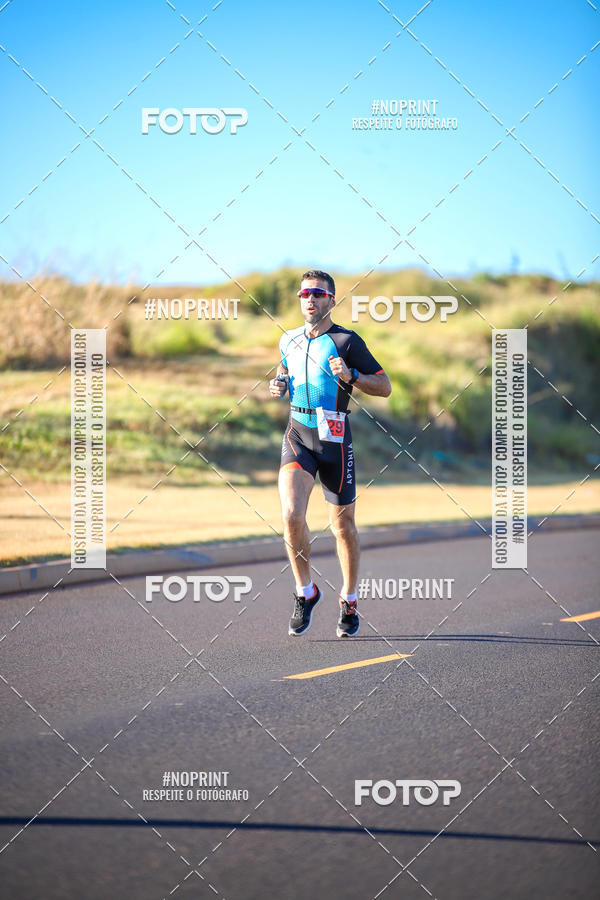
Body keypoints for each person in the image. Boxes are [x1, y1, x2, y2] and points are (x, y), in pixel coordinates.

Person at [269, 269, 391, 638]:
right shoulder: (287, 339)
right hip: (298, 434)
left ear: (331, 299)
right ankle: (305, 592)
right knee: (291, 515)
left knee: (343, 526)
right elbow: (284, 371)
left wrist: (352, 375)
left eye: (318, 294)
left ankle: (350, 600)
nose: (310, 299)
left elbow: (384, 387)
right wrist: (277, 384)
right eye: (304, 293)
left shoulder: (347, 340)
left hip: (335, 441)